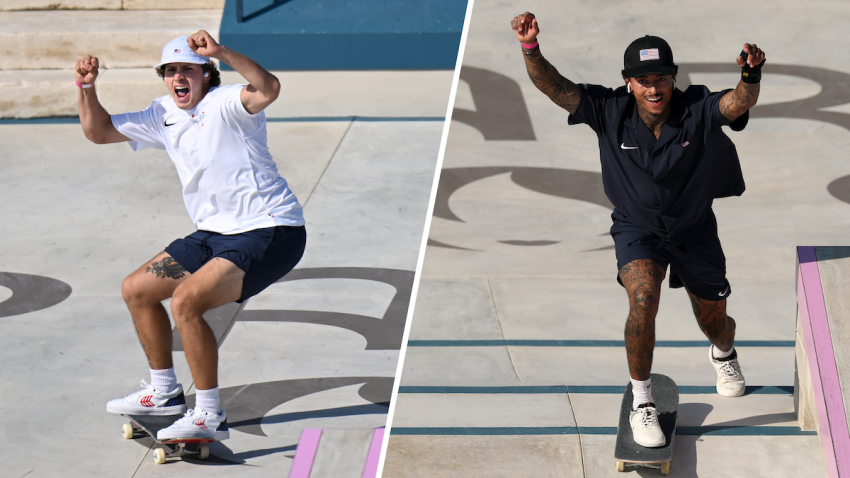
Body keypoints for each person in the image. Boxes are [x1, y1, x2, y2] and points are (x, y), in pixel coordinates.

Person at [511, 12, 765, 448]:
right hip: (637, 229)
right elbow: (555, 87)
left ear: (673, 79)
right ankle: (642, 401)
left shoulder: (696, 107)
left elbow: (736, 103)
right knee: (643, 298)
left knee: (715, 322)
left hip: (694, 229)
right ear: (628, 82)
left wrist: (750, 74)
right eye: (643, 79)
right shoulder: (608, 110)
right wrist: (530, 48)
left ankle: (724, 355)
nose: (653, 88)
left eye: (661, 78)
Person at [75, 30, 307, 441]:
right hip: (213, 235)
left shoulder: (228, 103)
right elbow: (98, 131)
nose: (178, 77)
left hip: (269, 229)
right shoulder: (161, 113)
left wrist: (221, 52)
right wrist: (87, 87)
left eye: (188, 69)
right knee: (137, 289)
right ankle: (164, 391)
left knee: (186, 302)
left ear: (206, 75)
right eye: (171, 71)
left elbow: (268, 88)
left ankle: (207, 414)